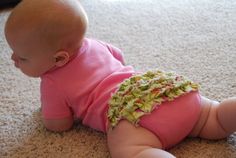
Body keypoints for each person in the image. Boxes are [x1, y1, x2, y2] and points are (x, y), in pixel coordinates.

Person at [4, 0, 236, 157]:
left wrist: (53, 112)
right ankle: (228, 111)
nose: (13, 59)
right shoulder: (94, 44)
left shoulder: (52, 83)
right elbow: (119, 56)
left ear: (60, 58)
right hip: (165, 88)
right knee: (211, 117)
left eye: (22, 57)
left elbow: (58, 126)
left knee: (129, 149)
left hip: (135, 115)